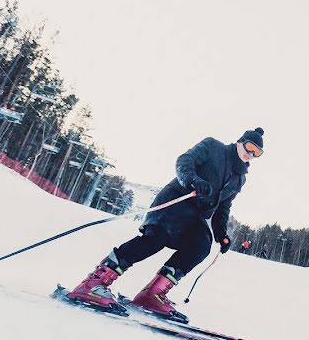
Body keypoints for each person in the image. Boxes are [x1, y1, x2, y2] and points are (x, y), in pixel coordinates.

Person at [67, 128, 265, 322]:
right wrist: (193, 180)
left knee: (201, 245)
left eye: (257, 153)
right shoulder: (214, 147)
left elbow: (223, 207)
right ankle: (94, 283)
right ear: (240, 141)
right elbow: (185, 161)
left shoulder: (239, 179)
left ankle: (152, 294)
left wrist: (221, 233)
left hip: (195, 216)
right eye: (249, 147)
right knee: (156, 239)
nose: (251, 154)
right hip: (177, 201)